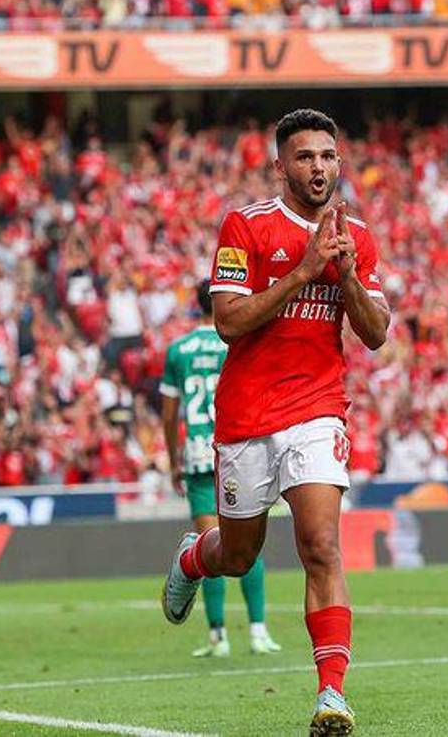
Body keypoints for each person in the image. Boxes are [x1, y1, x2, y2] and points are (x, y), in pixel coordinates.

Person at [161, 109, 389, 736]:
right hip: (247, 414)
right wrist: (304, 272)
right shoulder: (246, 226)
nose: (319, 167)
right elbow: (228, 322)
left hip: (318, 408)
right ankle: (192, 561)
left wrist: (344, 275)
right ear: (281, 166)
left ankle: (332, 695)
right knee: (239, 555)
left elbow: (374, 334)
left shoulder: (357, 238)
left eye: (328, 156)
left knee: (320, 546)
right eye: (306, 157)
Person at [159, 279, 281, 658]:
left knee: (209, 541)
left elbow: (169, 412)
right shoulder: (236, 340)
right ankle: (259, 631)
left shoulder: (178, 350)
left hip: (196, 453)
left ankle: (218, 636)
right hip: (236, 446)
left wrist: (171, 456)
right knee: (248, 539)